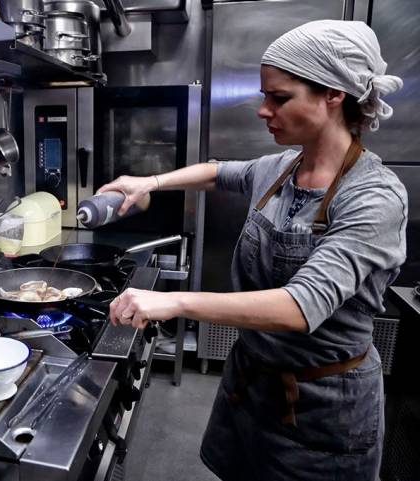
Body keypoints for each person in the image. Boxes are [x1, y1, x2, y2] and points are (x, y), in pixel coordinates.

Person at [101, 20, 407, 481]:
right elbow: (216, 172)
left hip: (322, 409)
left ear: (334, 94)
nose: (264, 110)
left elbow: (300, 307)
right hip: (250, 384)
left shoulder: (373, 197)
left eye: (279, 97)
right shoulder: (282, 167)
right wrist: (149, 182)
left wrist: (175, 301)